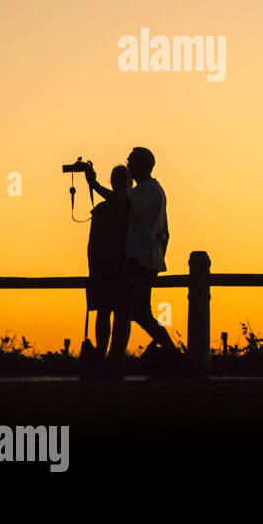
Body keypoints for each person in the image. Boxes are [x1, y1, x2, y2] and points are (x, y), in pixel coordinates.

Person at [94, 147, 180, 377]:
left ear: (142, 165)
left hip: (141, 262)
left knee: (137, 312)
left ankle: (173, 354)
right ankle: (115, 361)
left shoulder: (148, 191)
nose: (128, 165)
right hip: (143, 261)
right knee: (130, 311)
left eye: (131, 161)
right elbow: (165, 233)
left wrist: (94, 185)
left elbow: (121, 201)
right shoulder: (152, 190)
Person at [82, 163, 131, 368]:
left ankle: (106, 355)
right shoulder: (130, 207)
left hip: (106, 268)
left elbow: (92, 244)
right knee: (120, 314)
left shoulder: (116, 207)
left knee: (107, 313)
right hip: (120, 268)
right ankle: (113, 357)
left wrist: (94, 184)